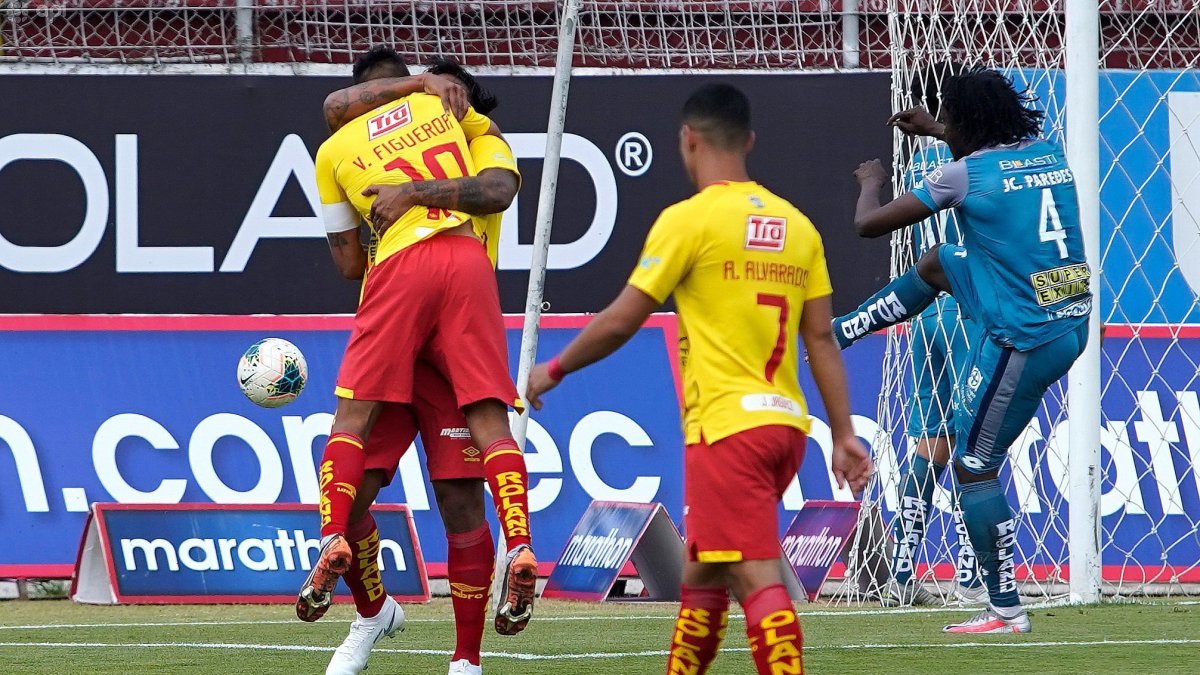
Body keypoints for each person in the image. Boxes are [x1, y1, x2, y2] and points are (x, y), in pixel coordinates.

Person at [526, 83, 873, 675]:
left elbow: (622, 319)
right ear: (751, 141)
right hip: (786, 424)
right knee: (703, 573)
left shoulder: (688, 221)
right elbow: (820, 339)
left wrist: (553, 369)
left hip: (727, 428)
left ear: (689, 140)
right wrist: (841, 433)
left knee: (755, 572)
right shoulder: (798, 226)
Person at [304, 47, 537, 674]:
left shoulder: (472, 126)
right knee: (366, 497)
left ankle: (465, 661)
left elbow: (498, 189)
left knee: (453, 498)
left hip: (429, 306)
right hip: (442, 301)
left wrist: (409, 194)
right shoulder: (438, 114)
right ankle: (372, 614)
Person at [833, 66, 1091, 633]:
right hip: (1071, 319)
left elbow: (869, 226)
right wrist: (934, 129)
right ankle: (844, 331)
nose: (943, 122)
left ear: (967, 120)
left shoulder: (963, 175)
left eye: (948, 114)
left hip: (1024, 339)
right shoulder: (1049, 153)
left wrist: (871, 181)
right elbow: (983, 157)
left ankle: (1005, 607)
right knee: (941, 261)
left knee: (974, 467)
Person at [870, 62, 985, 607]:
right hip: (966, 310)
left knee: (929, 443)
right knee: (974, 445)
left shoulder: (919, 158)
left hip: (925, 314)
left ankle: (900, 571)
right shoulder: (974, 160)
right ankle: (969, 574)